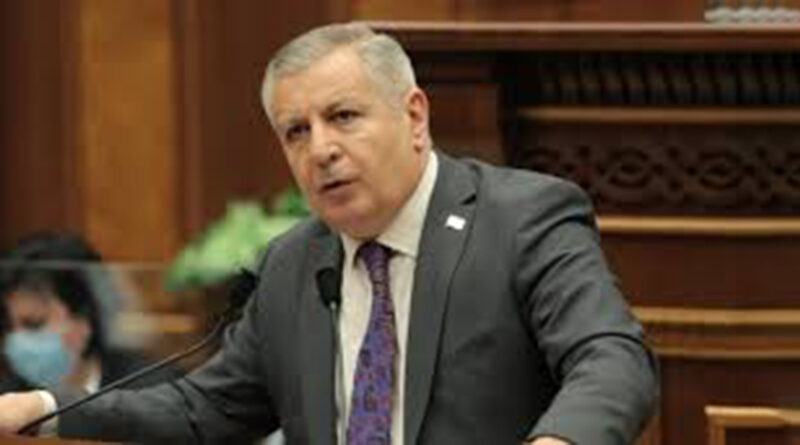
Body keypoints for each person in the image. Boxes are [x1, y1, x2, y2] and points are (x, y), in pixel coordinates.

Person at [0, 23, 658, 444]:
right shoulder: (292, 262)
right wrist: (45, 407)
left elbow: (612, 359)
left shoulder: (520, 219)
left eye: (343, 116)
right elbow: (204, 410)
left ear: (414, 117)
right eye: (297, 131)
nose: (320, 149)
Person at [0, 233, 179, 407]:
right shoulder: (6, 396)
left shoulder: (151, 392)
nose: (14, 341)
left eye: (34, 323)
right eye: (7, 326)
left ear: (85, 319)